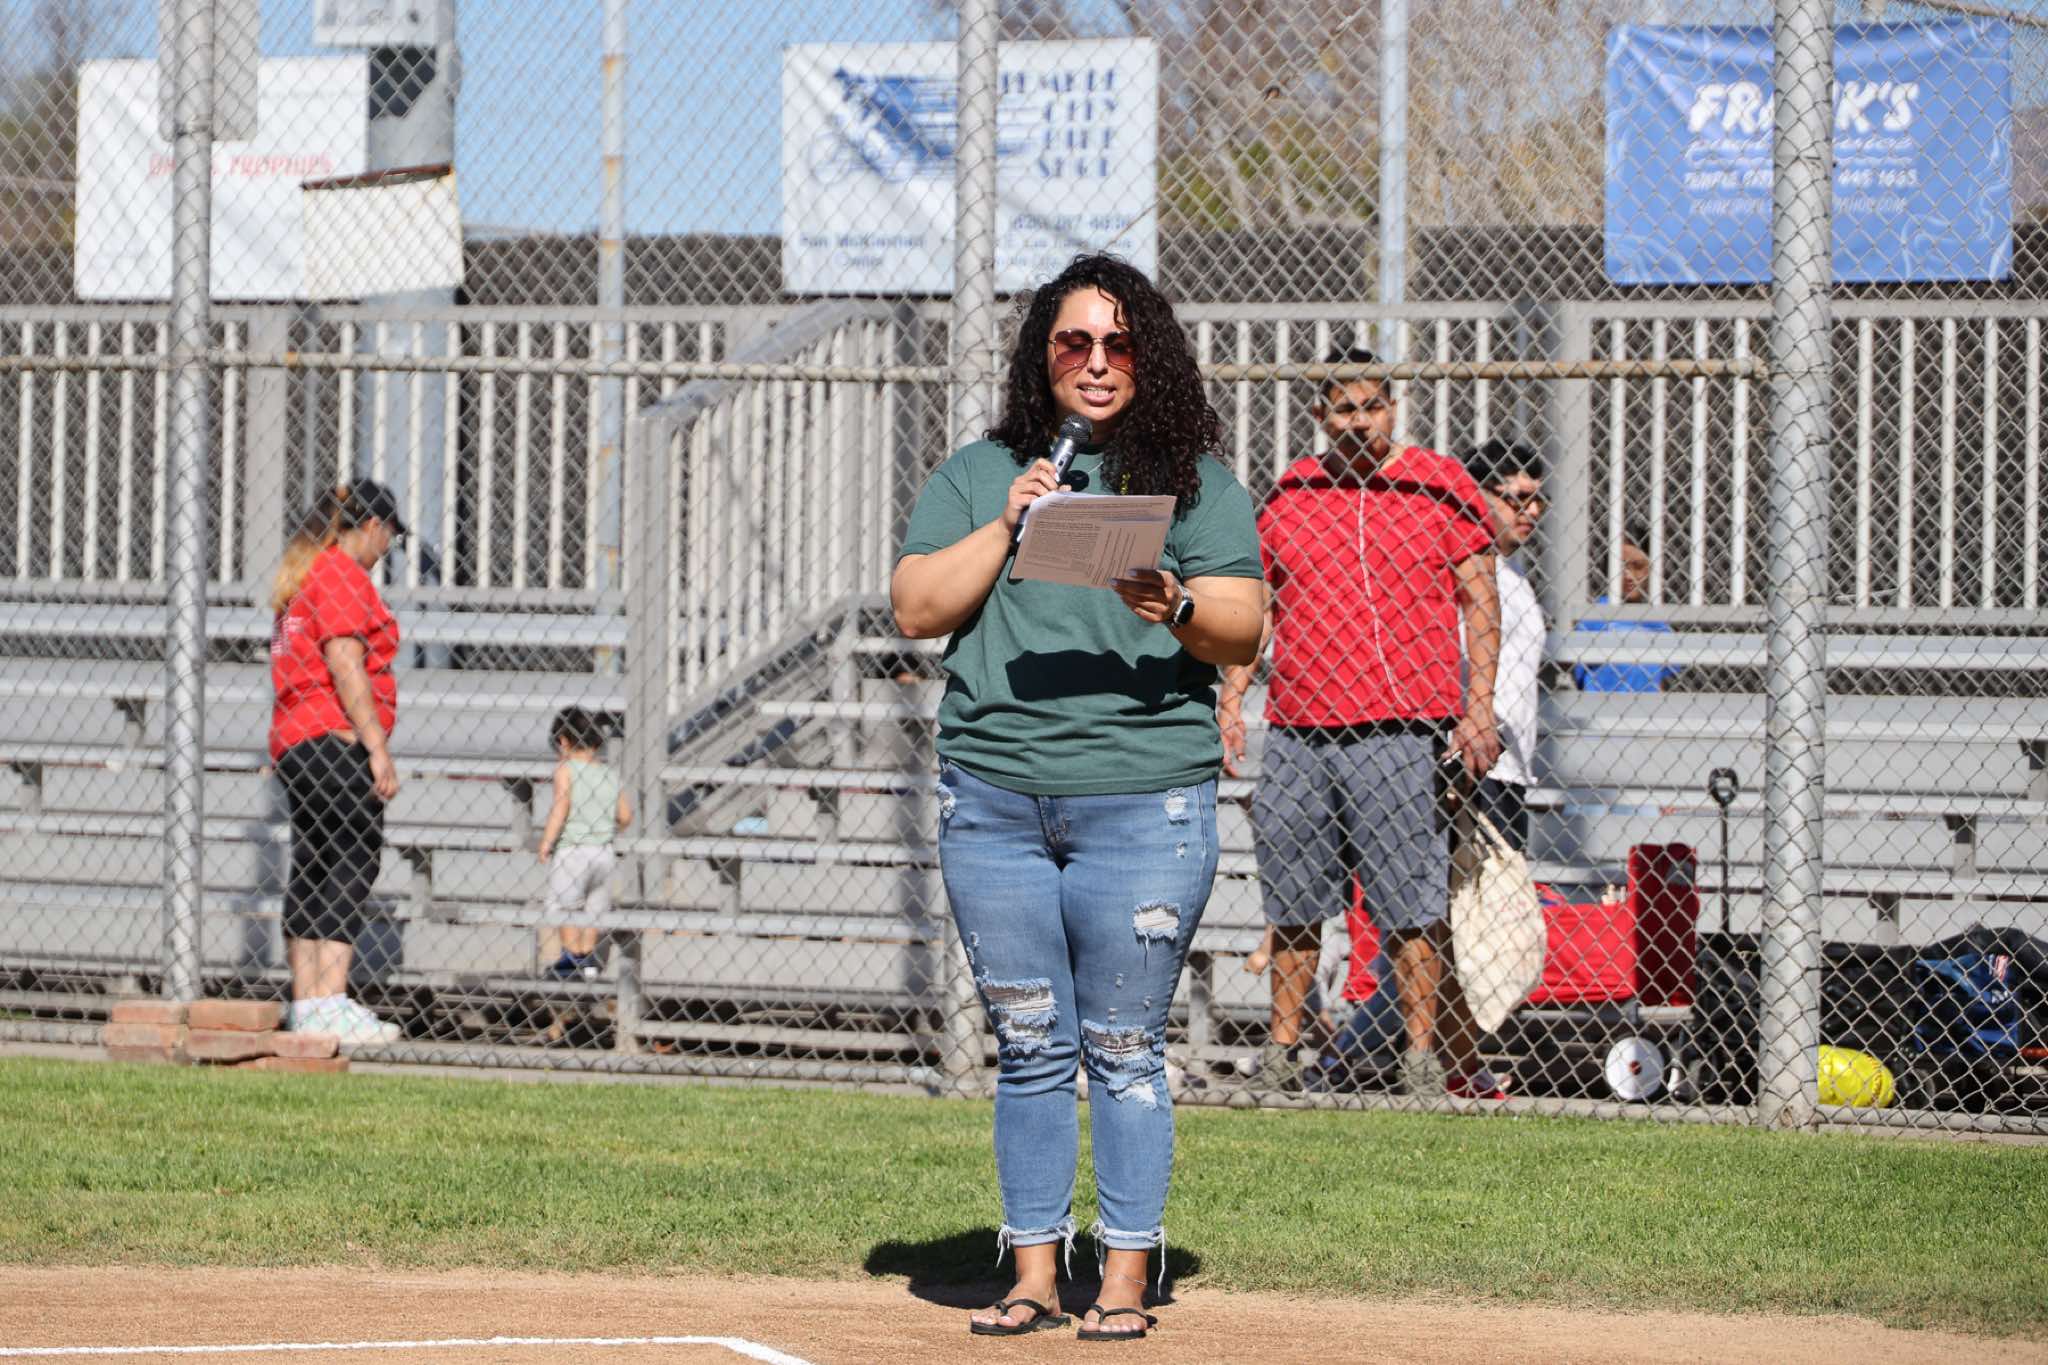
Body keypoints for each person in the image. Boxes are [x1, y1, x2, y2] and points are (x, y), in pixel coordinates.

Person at [893, 254, 1264, 1340]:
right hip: (996, 801)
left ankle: (1125, 1277)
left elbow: (1243, 623)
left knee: (1123, 1047)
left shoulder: (1194, 482)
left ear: (1149, 355)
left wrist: (1176, 603)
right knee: (1029, 1046)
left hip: (1142, 800)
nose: (1096, 362)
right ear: (1040, 355)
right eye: (1074, 342)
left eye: (1118, 343)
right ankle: (1031, 1276)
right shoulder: (981, 474)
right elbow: (916, 608)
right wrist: (1008, 522)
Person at [1218, 347, 1503, 1098]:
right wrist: (1233, 696)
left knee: (1410, 903)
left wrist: (1477, 708)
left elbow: (1481, 597)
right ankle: (1282, 1055)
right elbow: (1261, 604)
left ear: (1392, 408)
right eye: (1344, 408)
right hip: (1300, 727)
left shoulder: (1438, 484)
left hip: (1401, 726)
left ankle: (1421, 1059)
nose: (1359, 421)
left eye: (1372, 406)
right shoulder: (1293, 491)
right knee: (1292, 900)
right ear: (1320, 415)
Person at [268, 481, 409, 1046]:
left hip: (295, 740)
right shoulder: (342, 575)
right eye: (390, 537)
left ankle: (307, 1006)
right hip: (333, 737)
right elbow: (345, 660)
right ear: (373, 526)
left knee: (314, 862)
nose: (387, 549)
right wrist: (376, 746)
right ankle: (329, 1001)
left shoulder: (306, 574)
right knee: (353, 856)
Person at [1462, 439, 1548, 851]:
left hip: (1510, 766)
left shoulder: (1513, 572)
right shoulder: (1463, 569)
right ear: (1478, 495)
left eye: (1538, 500)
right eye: (1518, 499)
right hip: (1472, 763)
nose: (1533, 511)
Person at [537, 706, 633, 980]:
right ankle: (588, 960)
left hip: (573, 849)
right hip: (603, 852)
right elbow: (625, 816)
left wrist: (547, 841)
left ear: (563, 741)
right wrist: (605, 828)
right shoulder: (608, 773)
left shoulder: (566, 770)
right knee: (594, 908)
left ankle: (571, 957)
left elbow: (561, 807)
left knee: (565, 905)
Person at [1572, 521, 1682, 693]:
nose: (1629, 576)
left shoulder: (1656, 621)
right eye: (1620, 567)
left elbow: (1660, 679)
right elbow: (1576, 675)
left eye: (1638, 567)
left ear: (1650, 570)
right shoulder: (1596, 615)